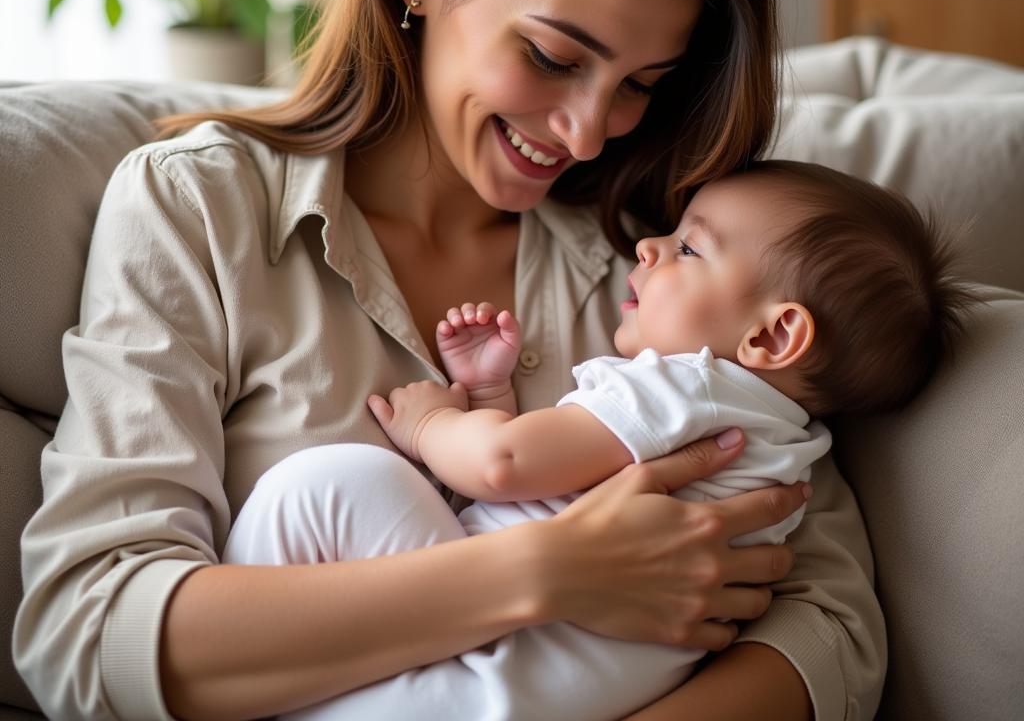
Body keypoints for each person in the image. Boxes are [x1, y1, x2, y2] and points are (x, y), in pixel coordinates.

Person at [15, 0, 886, 721]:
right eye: (556, 56)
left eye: (641, 83)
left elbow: (830, 625)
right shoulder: (198, 210)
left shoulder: (657, 256)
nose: (588, 131)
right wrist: (545, 571)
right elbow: (90, 630)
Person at [222, 160, 972, 721]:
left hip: (482, 665)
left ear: (773, 334)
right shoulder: (788, 444)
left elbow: (503, 465)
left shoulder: (687, 387)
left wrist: (433, 423)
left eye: (689, 250)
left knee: (329, 486)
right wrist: (491, 396)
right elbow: (554, 480)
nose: (648, 246)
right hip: (543, 689)